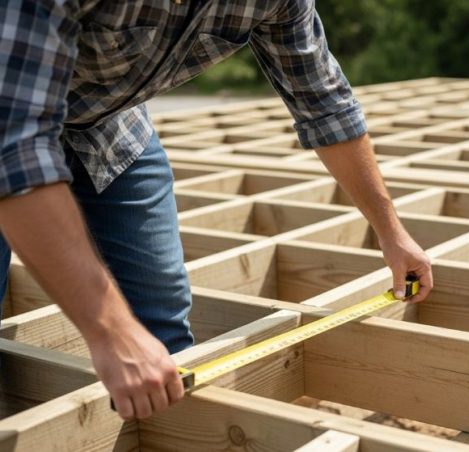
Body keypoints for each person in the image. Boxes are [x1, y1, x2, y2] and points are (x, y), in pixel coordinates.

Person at [0, 0, 433, 421]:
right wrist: (110, 332)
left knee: (163, 332)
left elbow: (325, 103)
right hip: (9, 123)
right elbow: (16, 149)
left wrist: (391, 232)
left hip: (112, 127)